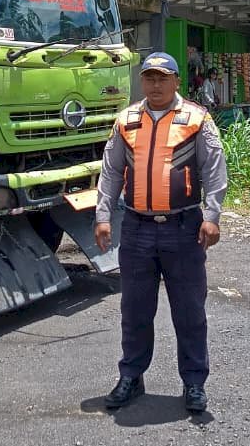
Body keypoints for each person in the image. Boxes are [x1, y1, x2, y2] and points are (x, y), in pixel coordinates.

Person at [94, 52, 228, 414]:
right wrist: (103, 216)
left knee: (189, 312)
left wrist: (212, 216)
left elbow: (214, 171)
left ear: (176, 82)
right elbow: (110, 174)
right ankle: (132, 377)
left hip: (184, 229)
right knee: (135, 309)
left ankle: (195, 383)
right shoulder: (126, 121)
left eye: (162, 78)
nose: (155, 85)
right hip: (136, 229)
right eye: (149, 78)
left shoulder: (197, 120)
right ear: (142, 82)